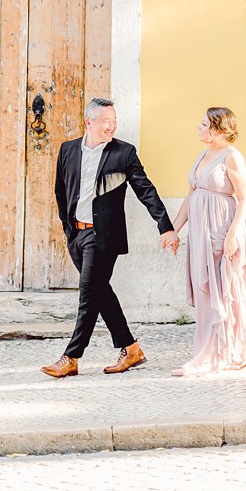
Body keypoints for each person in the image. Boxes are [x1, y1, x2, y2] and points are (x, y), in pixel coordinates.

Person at [40, 97, 178, 378]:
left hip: (103, 236)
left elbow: (145, 190)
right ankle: (131, 348)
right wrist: (69, 229)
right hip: (77, 233)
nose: (111, 126)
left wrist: (165, 226)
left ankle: (71, 357)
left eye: (114, 120)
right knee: (100, 292)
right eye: (105, 121)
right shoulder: (67, 150)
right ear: (88, 122)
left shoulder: (124, 153)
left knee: (89, 295)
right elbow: (60, 191)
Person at [169, 106, 246, 377]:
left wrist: (232, 235)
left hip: (221, 228)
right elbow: (191, 196)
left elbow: (244, 198)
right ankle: (212, 352)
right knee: (205, 292)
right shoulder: (203, 155)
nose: (198, 128)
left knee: (221, 291)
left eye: (203, 124)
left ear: (216, 129)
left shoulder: (232, 157)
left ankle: (210, 357)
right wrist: (174, 230)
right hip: (199, 231)